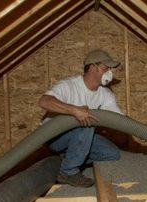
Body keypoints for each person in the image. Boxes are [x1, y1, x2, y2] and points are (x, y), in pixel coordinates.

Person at [38, 49, 122, 187]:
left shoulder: (106, 94)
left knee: (112, 154)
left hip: (80, 135)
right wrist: (74, 110)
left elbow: (120, 120)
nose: (109, 72)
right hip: (54, 137)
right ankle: (68, 172)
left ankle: (68, 158)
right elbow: (44, 101)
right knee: (86, 122)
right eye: (105, 68)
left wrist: (141, 132)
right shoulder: (69, 85)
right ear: (93, 67)